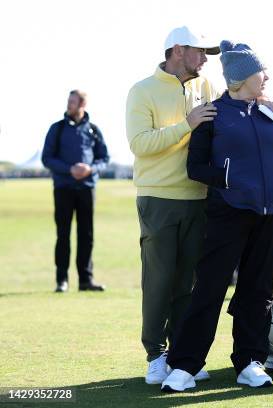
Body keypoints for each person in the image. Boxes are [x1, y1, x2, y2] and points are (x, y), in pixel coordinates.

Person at [162, 40, 273, 392]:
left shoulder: (272, 113)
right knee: (208, 289)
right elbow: (196, 167)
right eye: (260, 72)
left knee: (259, 291)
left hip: (272, 216)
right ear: (241, 77)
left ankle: (250, 362)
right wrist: (227, 179)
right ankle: (184, 365)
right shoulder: (212, 114)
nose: (266, 77)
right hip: (228, 214)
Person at [125, 26, 222, 385]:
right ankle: (155, 354)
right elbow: (140, 144)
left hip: (198, 197)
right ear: (178, 50)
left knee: (188, 283)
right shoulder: (142, 91)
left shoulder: (205, 87)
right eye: (200, 51)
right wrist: (186, 125)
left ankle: (182, 356)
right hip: (158, 198)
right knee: (159, 281)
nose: (206, 59)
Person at [42, 89, 109, 293]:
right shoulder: (57, 128)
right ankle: (62, 280)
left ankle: (85, 280)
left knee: (86, 235)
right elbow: (47, 158)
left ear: (82, 105)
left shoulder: (94, 130)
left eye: (73, 101)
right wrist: (69, 169)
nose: (68, 104)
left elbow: (104, 159)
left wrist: (90, 169)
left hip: (87, 189)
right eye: (68, 101)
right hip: (63, 188)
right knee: (63, 234)